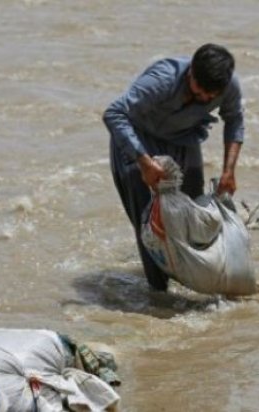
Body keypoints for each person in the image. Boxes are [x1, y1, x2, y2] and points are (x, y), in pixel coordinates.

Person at [103, 43, 245, 291]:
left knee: (193, 212)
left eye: (212, 96)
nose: (206, 99)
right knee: (149, 220)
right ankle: (159, 294)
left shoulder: (228, 85)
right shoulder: (162, 80)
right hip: (137, 138)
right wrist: (145, 162)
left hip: (182, 137)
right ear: (190, 73)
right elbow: (114, 113)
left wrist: (229, 171)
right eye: (200, 92)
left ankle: (200, 279)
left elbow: (234, 120)